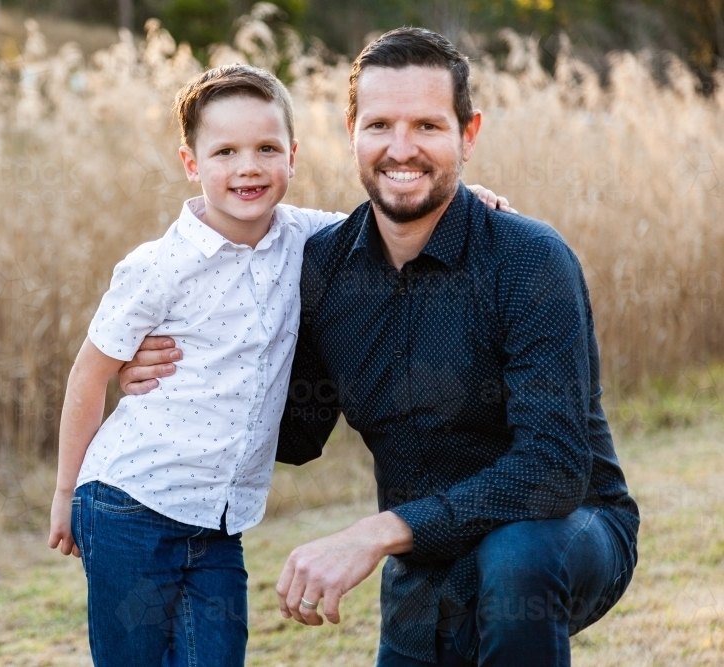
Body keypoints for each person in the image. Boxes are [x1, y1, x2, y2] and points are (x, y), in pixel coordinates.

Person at [117, 28, 639, 667]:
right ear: (351, 131)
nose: (402, 149)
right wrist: (177, 363)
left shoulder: (528, 259)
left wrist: (377, 533)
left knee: (515, 559)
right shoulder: (326, 269)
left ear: (468, 135)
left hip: (566, 534)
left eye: (427, 126)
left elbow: (554, 468)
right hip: (426, 574)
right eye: (381, 125)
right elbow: (296, 435)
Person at [49, 62, 511, 666]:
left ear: (292, 157)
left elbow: (391, 224)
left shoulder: (307, 240)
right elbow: (88, 374)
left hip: (219, 522)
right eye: (225, 152)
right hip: (128, 504)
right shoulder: (157, 266)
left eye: (267, 148)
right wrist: (65, 494)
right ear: (192, 164)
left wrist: (462, 202)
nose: (248, 167)